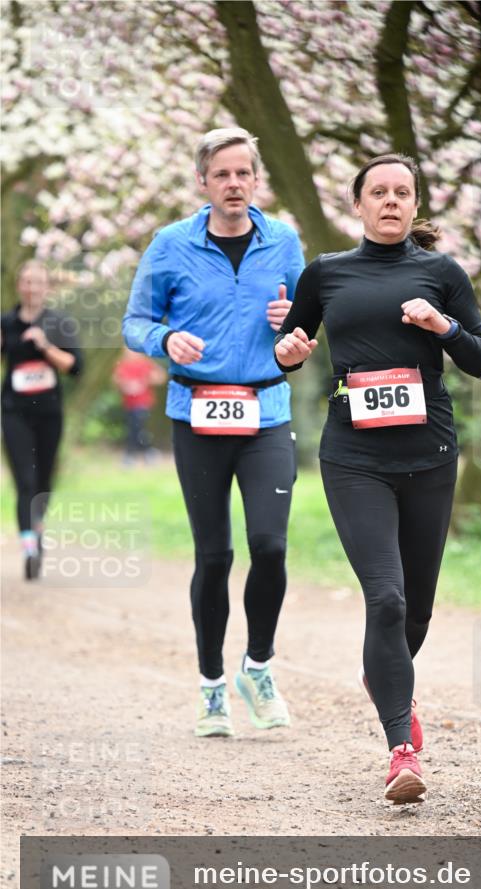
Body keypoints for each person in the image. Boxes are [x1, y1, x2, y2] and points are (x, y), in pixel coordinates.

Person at [274, 153, 481, 804]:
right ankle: (402, 750)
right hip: (353, 458)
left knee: (416, 610)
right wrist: (288, 352)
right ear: (358, 204)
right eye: (379, 192)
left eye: (402, 192)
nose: (391, 201)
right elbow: (291, 343)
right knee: (387, 600)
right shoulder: (326, 273)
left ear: (414, 204)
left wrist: (441, 325)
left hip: (429, 455)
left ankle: (385, 675)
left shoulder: (441, 273)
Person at [122, 127, 305, 739]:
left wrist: (294, 325)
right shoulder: (171, 244)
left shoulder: (283, 241)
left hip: (266, 412)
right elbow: (135, 321)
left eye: (243, 173)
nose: (234, 184)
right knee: (215, 554)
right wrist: (164, 338)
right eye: (222, 174)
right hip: (196, 413)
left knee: (270, 545)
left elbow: (306, 327)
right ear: (203, 181)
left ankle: (257, 666)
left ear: (257, 180)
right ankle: (210, 688)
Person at [1, 260, 83, 580]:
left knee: (44, 481)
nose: (31, 287)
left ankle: (37, 528)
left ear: (47, 287)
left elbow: (76, 367)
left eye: (37, 282)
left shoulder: (58, 323)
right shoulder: (6, 322)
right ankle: (29, 547)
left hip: (49, 413)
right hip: (14, 411)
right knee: (25, 480)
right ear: (19, 285)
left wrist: (46, 346)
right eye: (26, 281)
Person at [113, 346, 166, 464]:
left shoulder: (145, 363)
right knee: (135, 429)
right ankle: (148, 452)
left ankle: (131, 454)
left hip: (143, 402)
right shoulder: (123, 365)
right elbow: (116, 380)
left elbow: (160, 376)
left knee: (138, 427)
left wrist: (145, 381)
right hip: (129, 403)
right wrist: (126, 385)